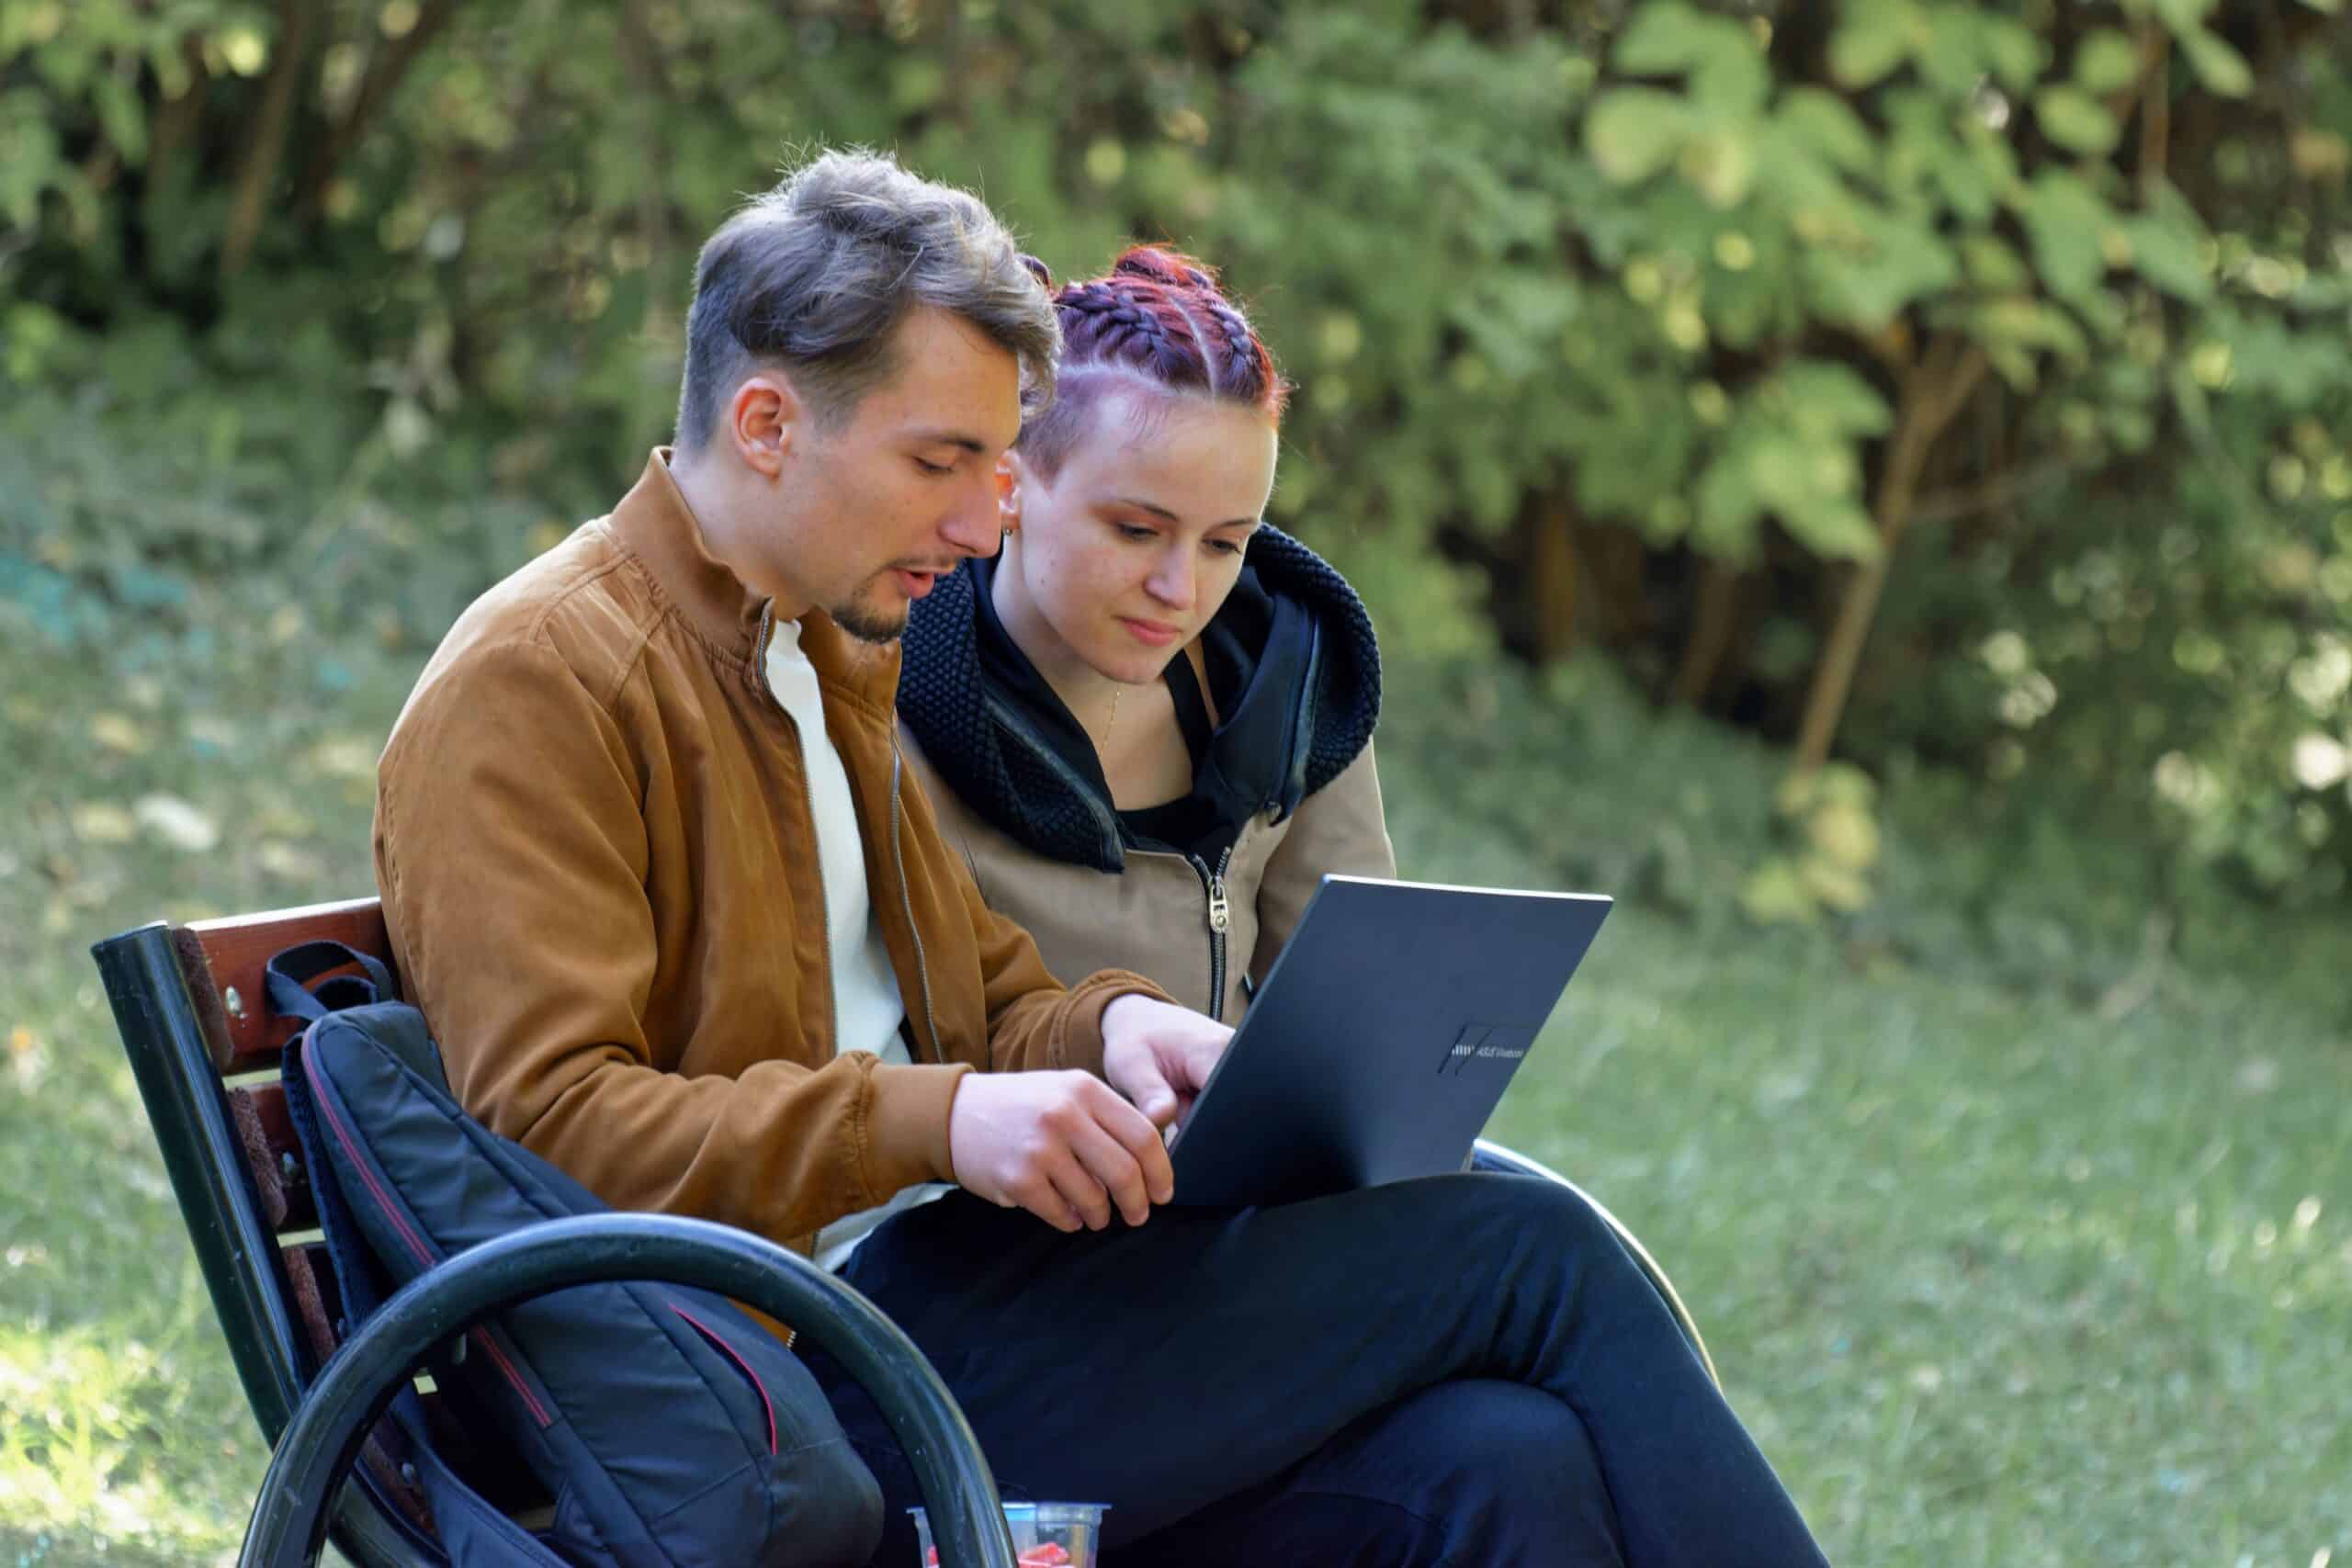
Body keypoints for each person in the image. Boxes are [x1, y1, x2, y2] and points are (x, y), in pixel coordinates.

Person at [375, 149, 1833, 1568]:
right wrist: (939, 1121)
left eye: (998, 466)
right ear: (765, 423)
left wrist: (1125, 1028)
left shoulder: (813, 656)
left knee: (1503, 1465)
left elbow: (987, 993)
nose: (977, 517)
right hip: (766, 1396)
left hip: (913, 1324)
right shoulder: (544, 678)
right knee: (1534, 1249)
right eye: (941, 460)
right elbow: (551, 1132)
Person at [897, 246, 1392, 1028]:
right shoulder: (878, 687)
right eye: (1135, 530)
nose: (1180, 589)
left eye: (1225, 543)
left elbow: (1363, 1022)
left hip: (1242, 1150)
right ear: (1009, 485)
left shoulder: (1292, 675)